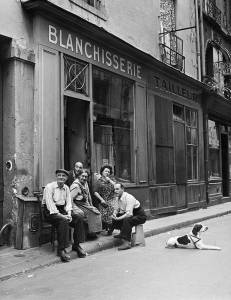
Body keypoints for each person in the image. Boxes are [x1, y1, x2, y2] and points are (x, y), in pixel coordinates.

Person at [42, 169, 86, 262]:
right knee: (63, 221)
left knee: (78, 217)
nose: (61, 177)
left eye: (63, 176)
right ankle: (61, 250)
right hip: (50, 212)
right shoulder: (49, 187)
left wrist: (69, 214)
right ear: (56, 177)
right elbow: (50, 206)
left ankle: (76, 245)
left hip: (62, 210)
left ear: (66, 178)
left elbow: (68, 203)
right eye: (59, 175)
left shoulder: (66, 187)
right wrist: (63, 216)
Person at [112, 183, 147, 250]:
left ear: (122, 189)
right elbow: (117, 209)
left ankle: (127, 243)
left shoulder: (129, 197)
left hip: (140, 216)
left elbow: (129, 214)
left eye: (117, 189)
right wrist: (114, 213)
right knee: (117, 216)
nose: (115, 191)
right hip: (131, 214)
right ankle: (122, 233)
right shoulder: (117, 198)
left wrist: (118, 218)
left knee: (127, 220)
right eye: (114, 189)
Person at [70, 169, 102, 237]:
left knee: (96, 211)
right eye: (82, 176)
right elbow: (70, 200)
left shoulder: (85, 183)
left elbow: (88, 195)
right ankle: (90, 233)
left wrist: (91, 205)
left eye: (86, 177)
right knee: (94, 214)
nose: (84, 178)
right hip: (77, 205)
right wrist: (74, 210)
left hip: (84, 204)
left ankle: (91, 232)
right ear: (79, 176)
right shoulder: (76, 186)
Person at [94, 165, 117, 235]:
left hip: (112, 199)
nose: (107, 173)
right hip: (103, 201)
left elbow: (116, 187)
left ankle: (111, 227)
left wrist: (109, 180)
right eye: (106, 171)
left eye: (109, 172)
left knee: (113, 209)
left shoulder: (112, 180)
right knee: (106, 211)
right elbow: (95, 192)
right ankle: (109, 227)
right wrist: (101, 200)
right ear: (102, 172)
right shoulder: (99, 181)